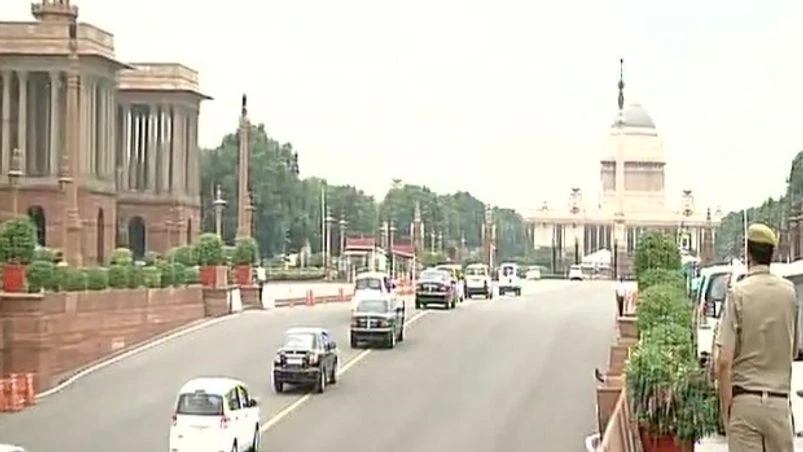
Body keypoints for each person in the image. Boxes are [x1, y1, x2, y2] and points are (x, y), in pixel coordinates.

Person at [715, 222, 797, 452]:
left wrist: (727, 409)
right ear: (772, 254)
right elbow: (791, 350)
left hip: (745, 403)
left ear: (747, 252)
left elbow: (723, 362)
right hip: (779, 405)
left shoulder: (738, 293)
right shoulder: (789, 294)